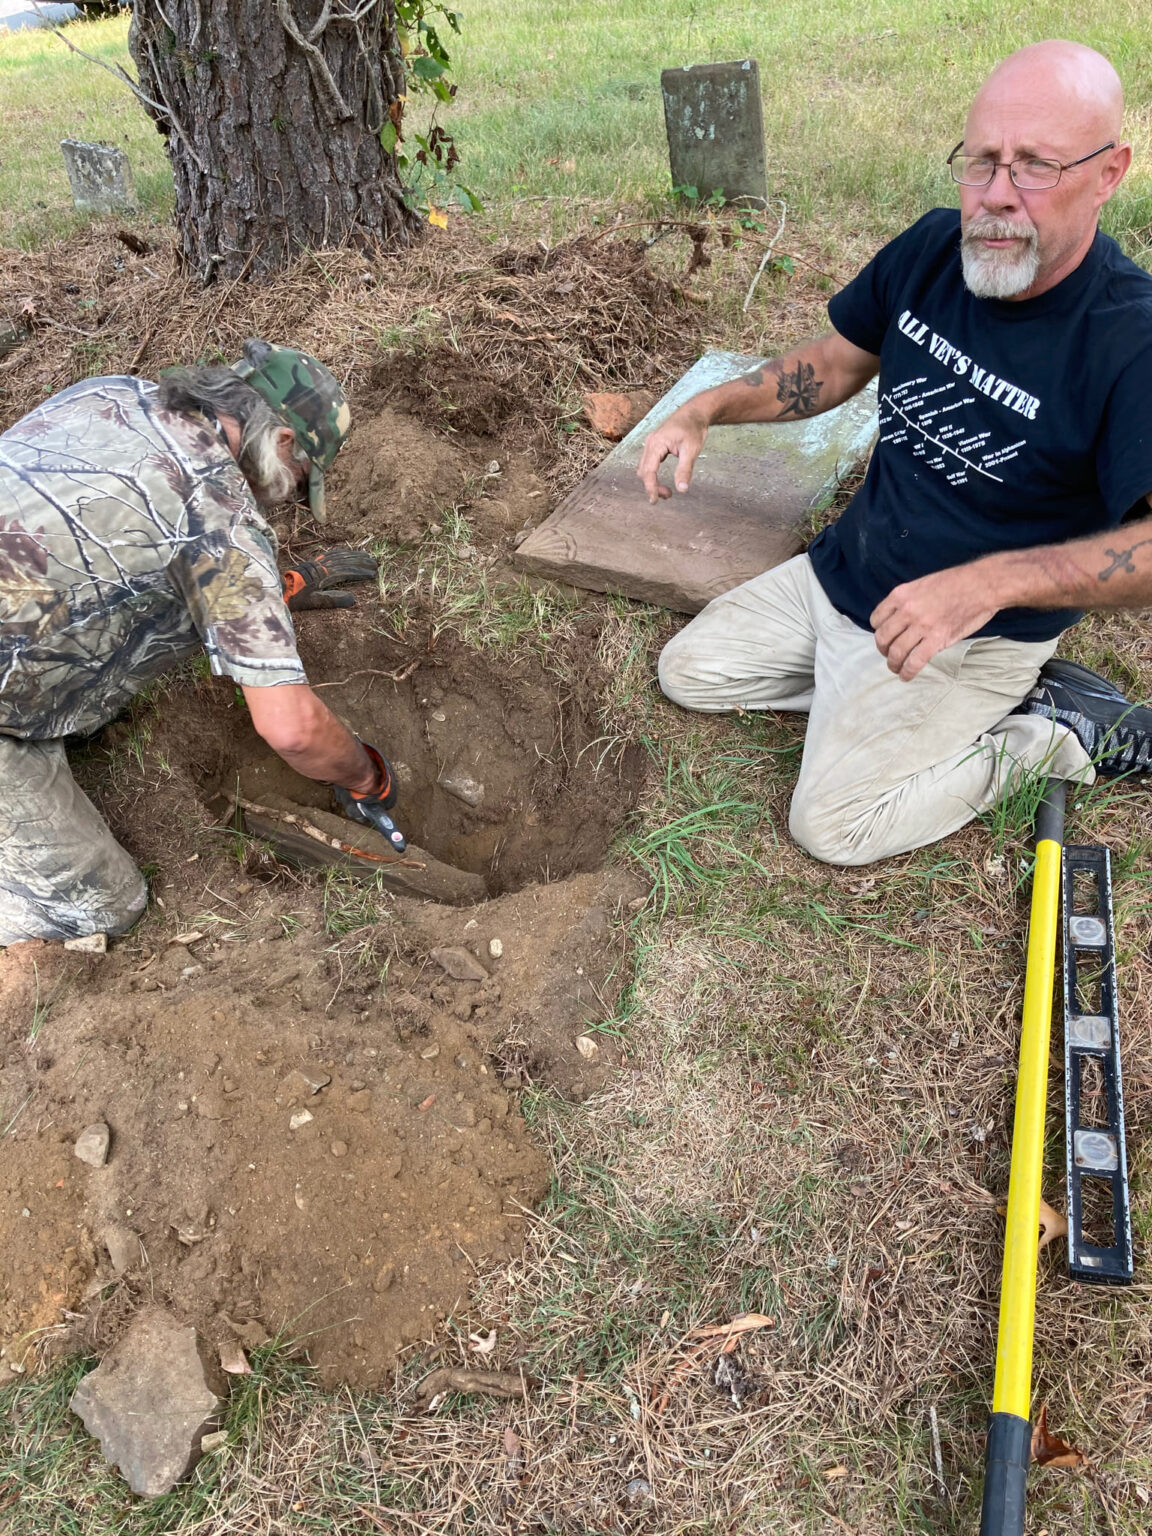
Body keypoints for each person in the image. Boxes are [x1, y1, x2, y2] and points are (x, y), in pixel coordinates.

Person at [639, 40, 1152, 867]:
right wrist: (709, 407)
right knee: (691, 672)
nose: (996, 197)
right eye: (982, 161)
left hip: (971, 631)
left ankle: (1053, 731)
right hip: (848, 574)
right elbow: (837, 363)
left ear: (1109, 171)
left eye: (1034, 167)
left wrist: (989, 585)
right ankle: (878, 707)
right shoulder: (932, 251)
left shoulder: (1129, 341)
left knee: (835, 825)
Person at [0, 340, 405, 946]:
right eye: (298, 485)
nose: (287, 499)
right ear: (285, 442)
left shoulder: (110, 394)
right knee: (103, 909)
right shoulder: (217, 521)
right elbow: (291, 728)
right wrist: (365, 778)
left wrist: (279, 589)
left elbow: (85, 544)